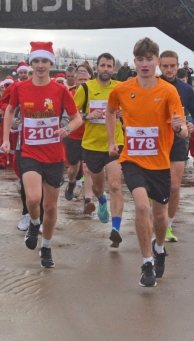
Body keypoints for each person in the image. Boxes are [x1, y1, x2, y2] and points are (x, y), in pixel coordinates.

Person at [106, 37, 187, 287]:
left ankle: (159, 247)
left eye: (149, 59)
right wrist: (112, 140)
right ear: (134, 62)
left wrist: (180, 128)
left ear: (157, 62)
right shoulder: (122, 89)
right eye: (140, 59)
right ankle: (147, 262)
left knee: (159, 214)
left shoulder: (168, 90)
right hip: (132, 159)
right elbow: (110, 111)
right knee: (142, 207)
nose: (144, 64)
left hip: (160, 162)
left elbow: (183, 129)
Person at [1, 41, 82, 268]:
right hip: (29, 152)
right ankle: (34, 224)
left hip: (55, 155)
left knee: (51, 207)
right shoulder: (19, 88)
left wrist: (68, 128)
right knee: (34, 199)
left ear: (51, 64)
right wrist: (7, 139)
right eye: (36, 61)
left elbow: (77, 118)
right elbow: (9, 111)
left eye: (44, 61)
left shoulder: (61, 89)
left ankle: (46, 247)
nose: (40, 65)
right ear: (31, 63)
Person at [74, 53, 126, 247]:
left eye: (109, 66)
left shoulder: (120, 88)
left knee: (114, 185)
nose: (106, 69)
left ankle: (116, 229)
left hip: (115, 144)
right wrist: (88, 115)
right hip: (92, 145)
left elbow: (131, 110)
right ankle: (102, 201)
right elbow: (73, 114)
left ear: (113, 69)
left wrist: (123, 113)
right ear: (96, 67)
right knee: (97, 186)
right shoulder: (86, 88)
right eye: (102, 65)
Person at [158, 51, 194, 242]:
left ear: (178, 66)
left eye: (172, 66)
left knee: (174, 187)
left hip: (178, 139)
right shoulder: (152, 84)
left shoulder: (185, 89)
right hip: (155, 140)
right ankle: (156, 216)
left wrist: (193, 124)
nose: (169, 69)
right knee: (156, 185)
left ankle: (168, 227)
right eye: (165, 66)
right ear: (159, 65)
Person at [63, 68, 94, 206]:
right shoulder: (70, 94)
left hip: (89, 137)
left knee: (87, 169)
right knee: (74, 168)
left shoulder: (94, 94)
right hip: (73, 137)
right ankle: (71, 183)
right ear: (74, 81)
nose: (82, 82)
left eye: (85, 80)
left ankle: (88, 201)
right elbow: (68, 116)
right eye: (80, 80)